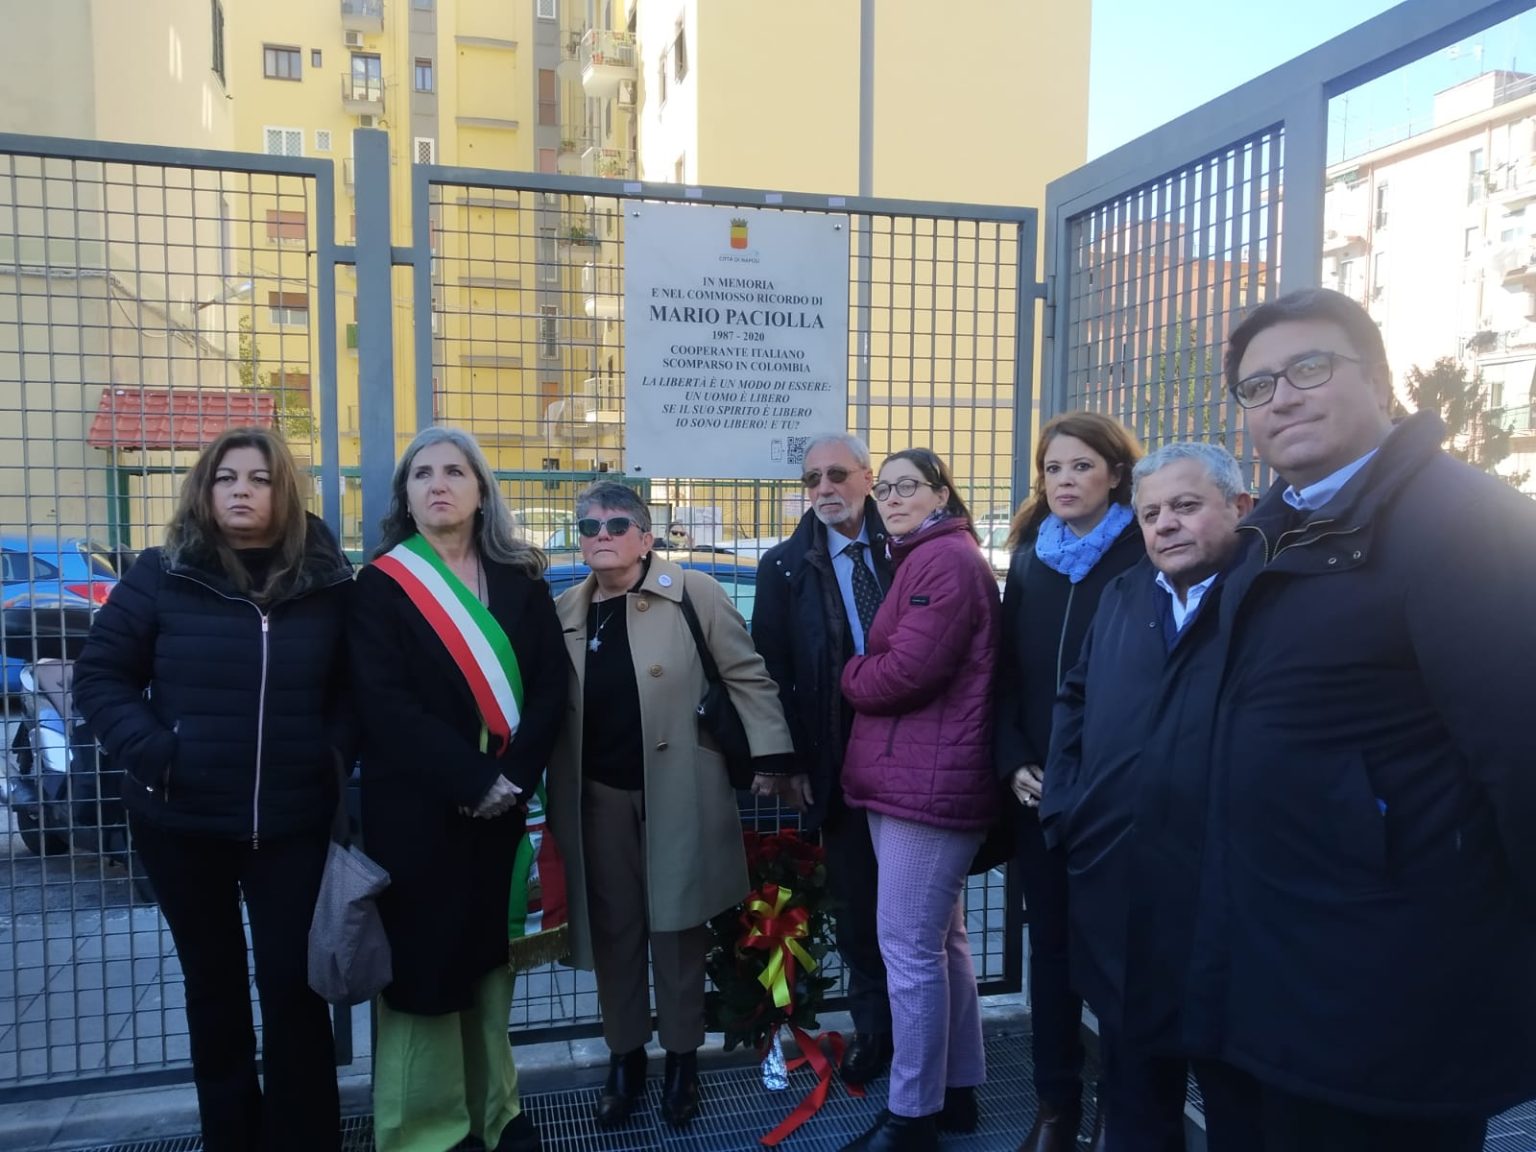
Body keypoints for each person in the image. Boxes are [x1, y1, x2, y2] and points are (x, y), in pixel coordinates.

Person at [1138, 286, 1536, 1151]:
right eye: (1257, 386)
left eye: (1309, 369)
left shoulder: (1468, 524)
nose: (1281, 398)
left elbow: (1521, 759)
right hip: (1262, 985)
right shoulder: (1272, 530)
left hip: (1384, 1004)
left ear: (1380, 381)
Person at [74, 427, 352, 1152]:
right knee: (214, 988)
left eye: (259, 479)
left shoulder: (326, 577)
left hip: (291, 823)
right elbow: (100, 676)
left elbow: (354, 687)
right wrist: (155, 752)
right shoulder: (163, 572)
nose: (241, 491)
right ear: (205, 489)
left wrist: (328, 755)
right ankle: (232, 1136)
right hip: (181, 823)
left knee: (294, 989)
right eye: (226, 478)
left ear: (282, 491)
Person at [545, 481, 794, 1130]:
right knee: (615, 932)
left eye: (616, 524)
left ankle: (683, 1061)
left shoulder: (695, 594)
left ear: (646, 537)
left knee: (678, 933)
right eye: (589, 526)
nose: (601, 535)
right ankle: (625, 1058)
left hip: (680, 792)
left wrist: (771, 757)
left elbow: (747, 676)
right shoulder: (566, 609)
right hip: (597, 798)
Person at [349, 427, 566, 1152]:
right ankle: (425, 1130)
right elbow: (385, 705)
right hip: (419, 811)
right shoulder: (381, 585)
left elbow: (550, 690)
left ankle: (495, 1112)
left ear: (480, 490)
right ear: (405, 496)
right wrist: (473, 778)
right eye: (422, 474)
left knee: (488, 963)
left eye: (453, 471)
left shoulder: (522, 582)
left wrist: (512, 779)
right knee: (424, 971)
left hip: (503, 809)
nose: (437, 484)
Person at [1041, 442, 1254, 1152]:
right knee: (1135, 1092)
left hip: (1228, 902)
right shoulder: (1127, 594)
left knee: (1239, 1102)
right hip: (1121, 888)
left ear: (1240, 507)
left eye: (1186, 506)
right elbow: (1074, 700)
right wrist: (1067, 809)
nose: (1165, 524)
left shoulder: (1270, 600)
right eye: (1152, 512)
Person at [838, 448, 1001, 1152]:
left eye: (910, 486)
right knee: (941, 942)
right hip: (916, 778)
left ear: (941, 494)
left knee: (907, 950)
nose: (894, 498)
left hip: (927, 784)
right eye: (886, 488)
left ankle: (911, 1117)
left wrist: (850, 672)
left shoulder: (944, 561)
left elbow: (908, 671)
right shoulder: (928, 556)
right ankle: (956, 1089)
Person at [994, 412, 1145, 1152]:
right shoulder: (1030, 557)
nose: (1064, 481)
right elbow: (1004, 674)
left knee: (1120, 962)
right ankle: (1055, 1107)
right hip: (1038, 794)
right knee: (1049, 954)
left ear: (1116, 474)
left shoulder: (1145, 552)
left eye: (1082, 466)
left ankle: (1121, 1111)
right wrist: (1012, 757)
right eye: (1053, 468)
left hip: (1117, 797)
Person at [752, 432, 896, 1086]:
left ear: (867, 477)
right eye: (812, 479)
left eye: (837, 474)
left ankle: (928, 1038)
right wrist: (789, 762)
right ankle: (876, 1032)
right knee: (858, 906)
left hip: (913, 754)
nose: (824, 489)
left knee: (920, 913)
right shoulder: (784, 567)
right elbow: (772, 673)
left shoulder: (907, 548)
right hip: (836, 760)